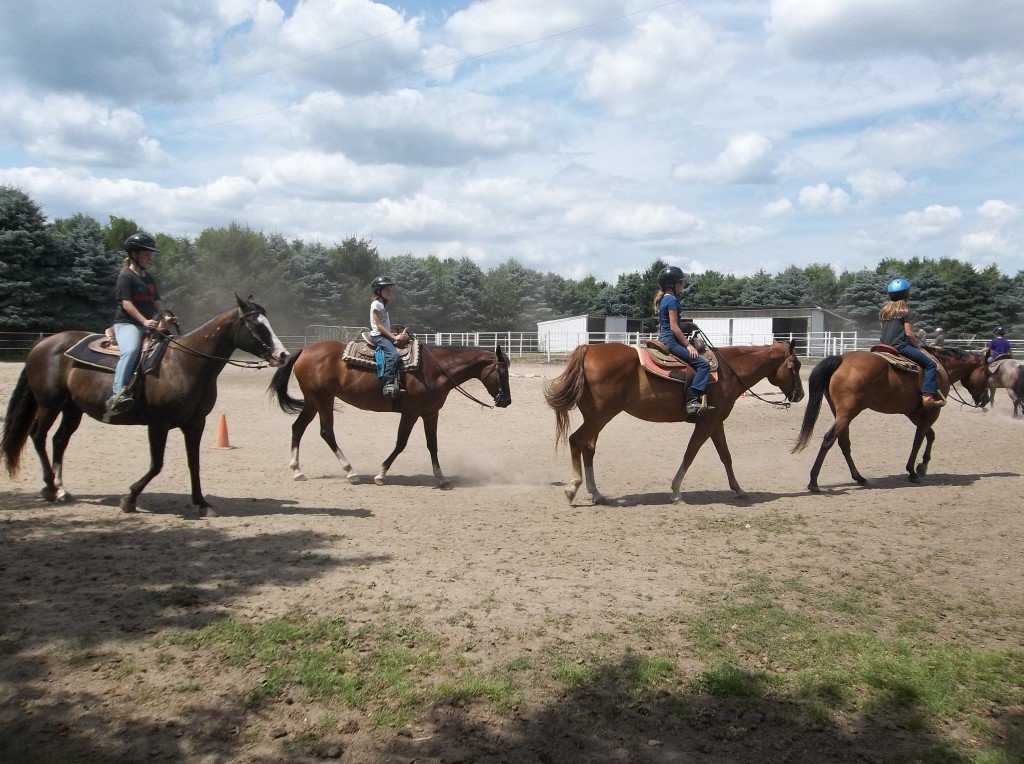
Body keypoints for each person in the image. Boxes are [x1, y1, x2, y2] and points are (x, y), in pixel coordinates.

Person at [105, 232, 177, 414]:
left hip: (148, 324)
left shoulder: (148, 278)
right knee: (130, 351)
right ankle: (118, 393)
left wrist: (165, 317)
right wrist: (144, 321)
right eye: (147, 255)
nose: (150, 259)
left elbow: (156, 302)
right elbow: (126, 303)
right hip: (128, 324)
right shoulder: (126, 277)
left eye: (151, 256)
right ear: (134, 255)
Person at [654, 265, 710, 416]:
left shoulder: (664, 300)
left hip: (664, 338)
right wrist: (688, 345)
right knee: (703, 365)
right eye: (681, 282)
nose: (682, 285)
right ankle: (692, 399)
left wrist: (686, 325)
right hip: (671, 341)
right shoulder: (672, 300)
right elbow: (673, 328)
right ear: (671, 284)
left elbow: (668, 323)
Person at [879, 278, 941, 408]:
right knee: (931, 365)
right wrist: (917, 346)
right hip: (900, 346)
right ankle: (927, 395)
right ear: (906, 294)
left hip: (883, 347)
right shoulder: (906, 311)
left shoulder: (884, 312)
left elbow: (882, 330)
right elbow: (908, 333)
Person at [369, 276, 408, 398]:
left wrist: (393, 325)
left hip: (384, 334)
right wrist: (394, 337)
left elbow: (384, 322)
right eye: (386, 290)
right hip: (379, 336)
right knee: (393, 355)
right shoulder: (376, 304)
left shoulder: (382, 305)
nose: (389, 292)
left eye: (389, 290)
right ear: (378, 291)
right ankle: (388, 382)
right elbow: (379, 326)